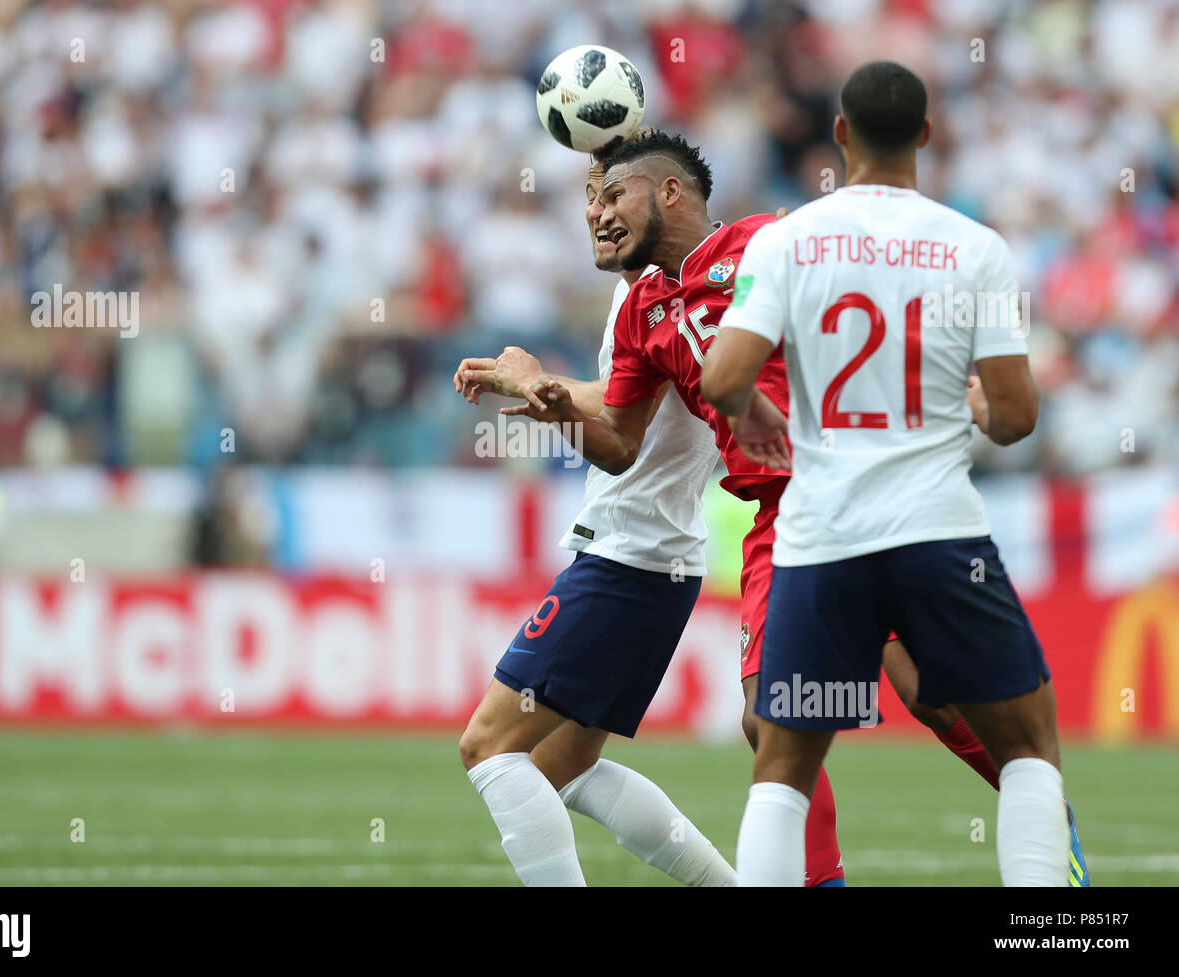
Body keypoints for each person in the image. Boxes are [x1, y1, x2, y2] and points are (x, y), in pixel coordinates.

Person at [702, 61, 1071, 886]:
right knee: (1028, 747)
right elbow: (1016, 417)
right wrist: (974, 408)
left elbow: (724, 377)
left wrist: (753, 413)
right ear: (928, 138)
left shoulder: (786, 238)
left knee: (784, 767)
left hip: (820, 537)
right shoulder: (976, 248)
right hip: (937, 534)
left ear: (840, 135)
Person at [450, 148, 736, 887]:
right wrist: (541, 391)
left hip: (631, 556)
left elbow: (620, 423)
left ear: (665, 194)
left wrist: (537, 381)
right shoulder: (662, 289)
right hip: (651, 554)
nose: (593, 211)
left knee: (487, 746)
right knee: (561, 766)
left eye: (608, 193)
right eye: (587, 196)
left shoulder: (684, 289)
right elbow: (619, 421)